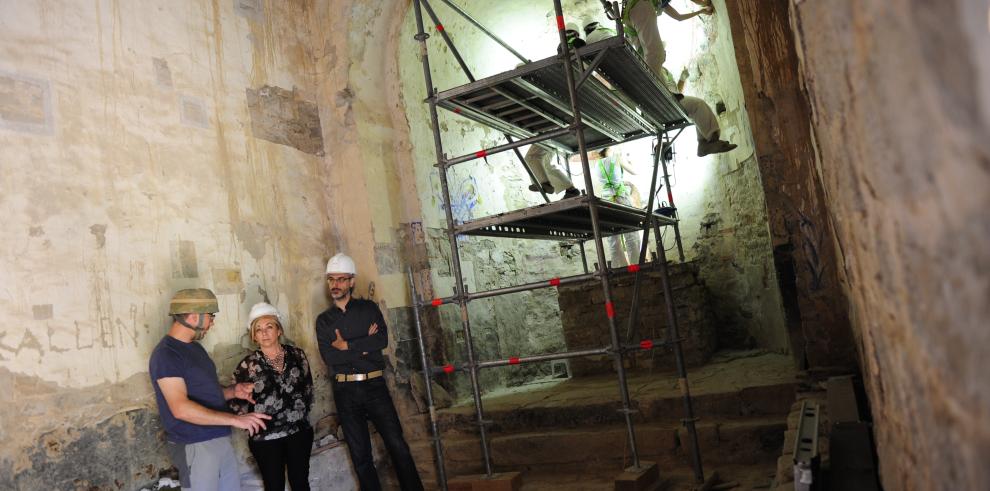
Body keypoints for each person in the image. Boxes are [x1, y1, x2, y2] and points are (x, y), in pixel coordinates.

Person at [315, 253, 424, 491]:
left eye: (341, 279)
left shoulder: (368, 309)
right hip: (344, 391)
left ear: (352, 281)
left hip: (375, 387)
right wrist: (366, 344)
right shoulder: (323, 321)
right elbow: (330, 357)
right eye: (331, 279)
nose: (335, 285)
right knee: (360, 455)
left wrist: (349, 346)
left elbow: (382, 340)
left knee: (397, 445)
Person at [149, 288, 272, 491]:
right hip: (194, 444)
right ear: (193, 316)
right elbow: (180, 408)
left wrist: (233, 391)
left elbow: (203, 394)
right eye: (211, 316)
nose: (213, 322)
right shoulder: (166, 355)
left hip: (219, 438)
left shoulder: (195, 348)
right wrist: (235, 419)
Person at [588, 3, 737, 157]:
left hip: (660, 97)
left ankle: (706, 143)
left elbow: (677, 17)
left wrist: (700, 10)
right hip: (655, 95)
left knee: (698, 105)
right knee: (655, 52)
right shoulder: (639, 17)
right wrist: (703, 6)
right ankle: (705, 138)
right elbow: (655, 50)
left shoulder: (660, 69)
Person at [230, 302, 314, 491]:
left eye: (269, 327)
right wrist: (249, 422)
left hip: (298, 432)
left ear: (278, 330)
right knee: (274, 486)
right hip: (265, 438)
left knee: (300, 483)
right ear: (253, 336)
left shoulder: (297, 355)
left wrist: (299, 416)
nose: (264, 333)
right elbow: (236, 402)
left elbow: (308, 388)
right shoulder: (247, 365)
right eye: (258, 329)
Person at [591, 147, 643, 266]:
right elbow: (635, 171)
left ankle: (620, 267)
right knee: (631, 232)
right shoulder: (617, 159)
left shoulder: (597, 165)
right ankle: (636, 266)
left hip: (606, 200)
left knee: (613, 236)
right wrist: (630, 161)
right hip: (621, 197)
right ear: (609, 148)